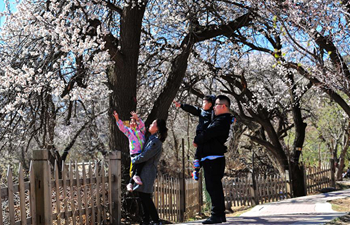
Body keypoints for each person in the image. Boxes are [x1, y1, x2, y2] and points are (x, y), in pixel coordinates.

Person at [193, 95, 234, 224]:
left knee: (213, 186)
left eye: (215, 105)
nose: (213, 108)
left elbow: (208, 133)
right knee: (213, 186)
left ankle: (216, 215)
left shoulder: (222, 120)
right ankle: (219, 215)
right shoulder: (219, 119)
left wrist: (197, 139)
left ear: (223, 106)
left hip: (214, 158)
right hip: (210, 157)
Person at [132, 119, 168, 225]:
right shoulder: (150, 139)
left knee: (145, 196)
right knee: (142, 195)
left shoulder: (156, 142)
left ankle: (156, 220)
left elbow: (146, 155)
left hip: (148, 171)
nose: (150, 125)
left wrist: (134, 159)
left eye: (153, 124)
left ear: (157, 128)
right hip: (144, 170)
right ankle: (146, 220)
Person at [173, 95, 215, 180]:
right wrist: (181, 105)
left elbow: (223, 116)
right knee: (198, 153)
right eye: (202, 102)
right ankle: (196, 170)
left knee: (205, 154)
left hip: (209, 137)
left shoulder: (214, 113)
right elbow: (192, 109)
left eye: (205, 102)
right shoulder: (201, 111)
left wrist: (231, 119)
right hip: (200, 135)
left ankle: (203, 168)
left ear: (210, 104)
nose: (202, 104)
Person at [113, 111, 146, 192]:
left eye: (134, 122)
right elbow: (122, 127)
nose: (133, 123)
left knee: (137, 167)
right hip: (134, 152)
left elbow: (142, 125)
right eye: (131, 122)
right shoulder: (129, 132)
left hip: (142, 152)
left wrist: (137, 118)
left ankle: (130, 183)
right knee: (135, 167)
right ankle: (134, 178)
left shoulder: (141, 131)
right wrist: (117, 118)